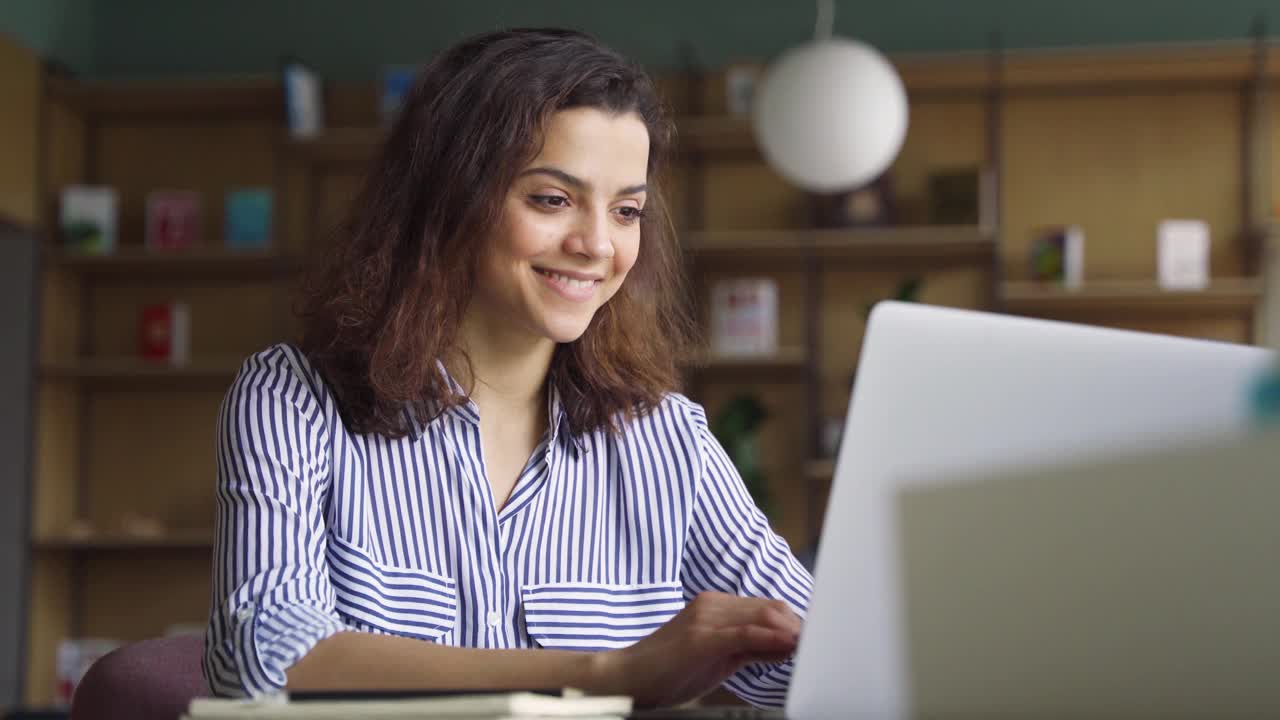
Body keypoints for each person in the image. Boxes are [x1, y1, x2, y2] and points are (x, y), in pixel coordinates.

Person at [203, 27, 812, 710]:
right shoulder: (293, 400)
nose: (597, 245)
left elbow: (815, 649)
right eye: (552, 199)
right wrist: (606, 673)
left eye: (627, 210)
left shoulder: (665, 441)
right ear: (448, 199)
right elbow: (264, 661)